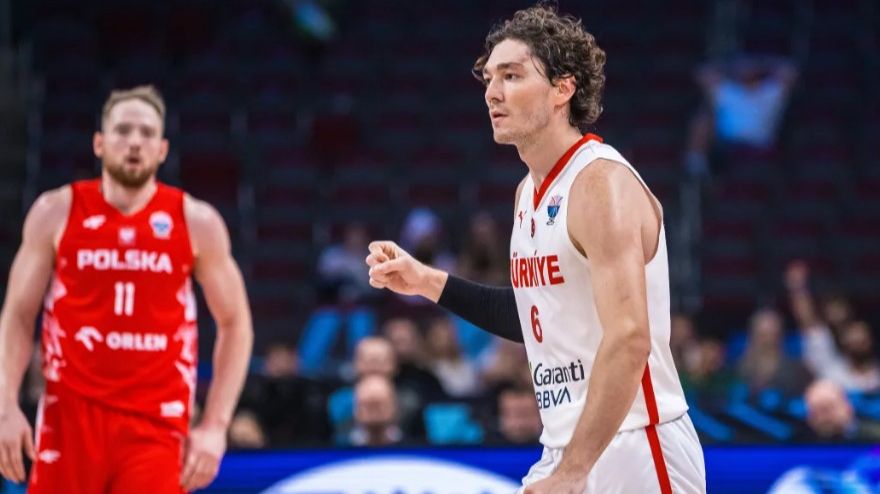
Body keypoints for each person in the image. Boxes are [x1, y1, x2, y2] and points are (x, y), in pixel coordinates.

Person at [366, 4, 705, 493]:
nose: (492, 92)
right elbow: (536, 316)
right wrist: (426, 281)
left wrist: (573, 471)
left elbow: (630, 338)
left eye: (512, 75)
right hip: (569, 444)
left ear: (563, 89)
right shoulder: (528, 193)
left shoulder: (600, 184)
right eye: (489, 78)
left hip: (636, 443)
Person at [0, 85, 254, 493]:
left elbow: (236, 323)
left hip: (156, 424)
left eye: (147, 132)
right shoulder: (56, 211)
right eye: (122, 130)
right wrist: (5, 406)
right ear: (99, 143)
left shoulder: (196, 221)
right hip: (69, 417)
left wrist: (215, 426)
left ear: (162, 149)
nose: (134, 141)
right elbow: (17, 314)